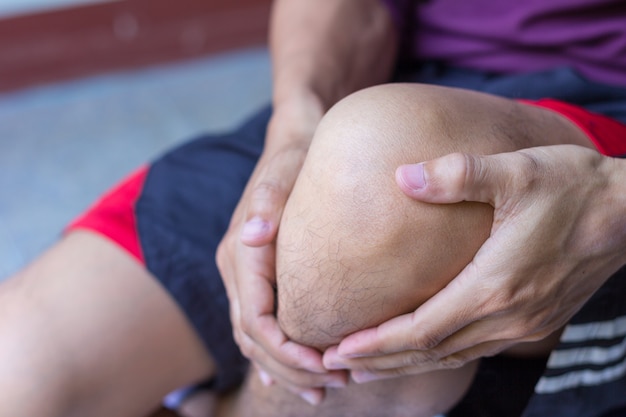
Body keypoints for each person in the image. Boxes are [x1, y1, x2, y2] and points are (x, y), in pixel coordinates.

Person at [2, 0, 625, 416]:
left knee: (386, 173)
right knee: (22, 375)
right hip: (396, 82)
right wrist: (296, 122)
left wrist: (616, 202)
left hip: (605, 112)